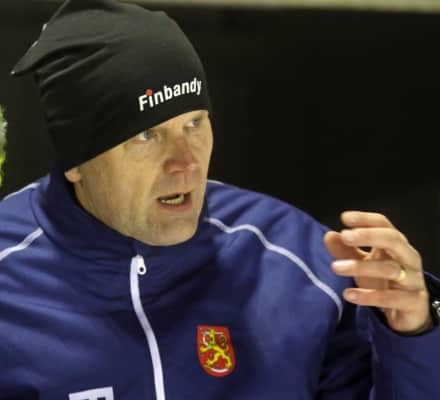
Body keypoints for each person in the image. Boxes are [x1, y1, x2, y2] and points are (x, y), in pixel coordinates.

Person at [1, 0, 439, 399]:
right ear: (77, 160)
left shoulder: (300, 263)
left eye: (194, 123)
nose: (186, 163)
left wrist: (414, 335)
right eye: (146, 135)